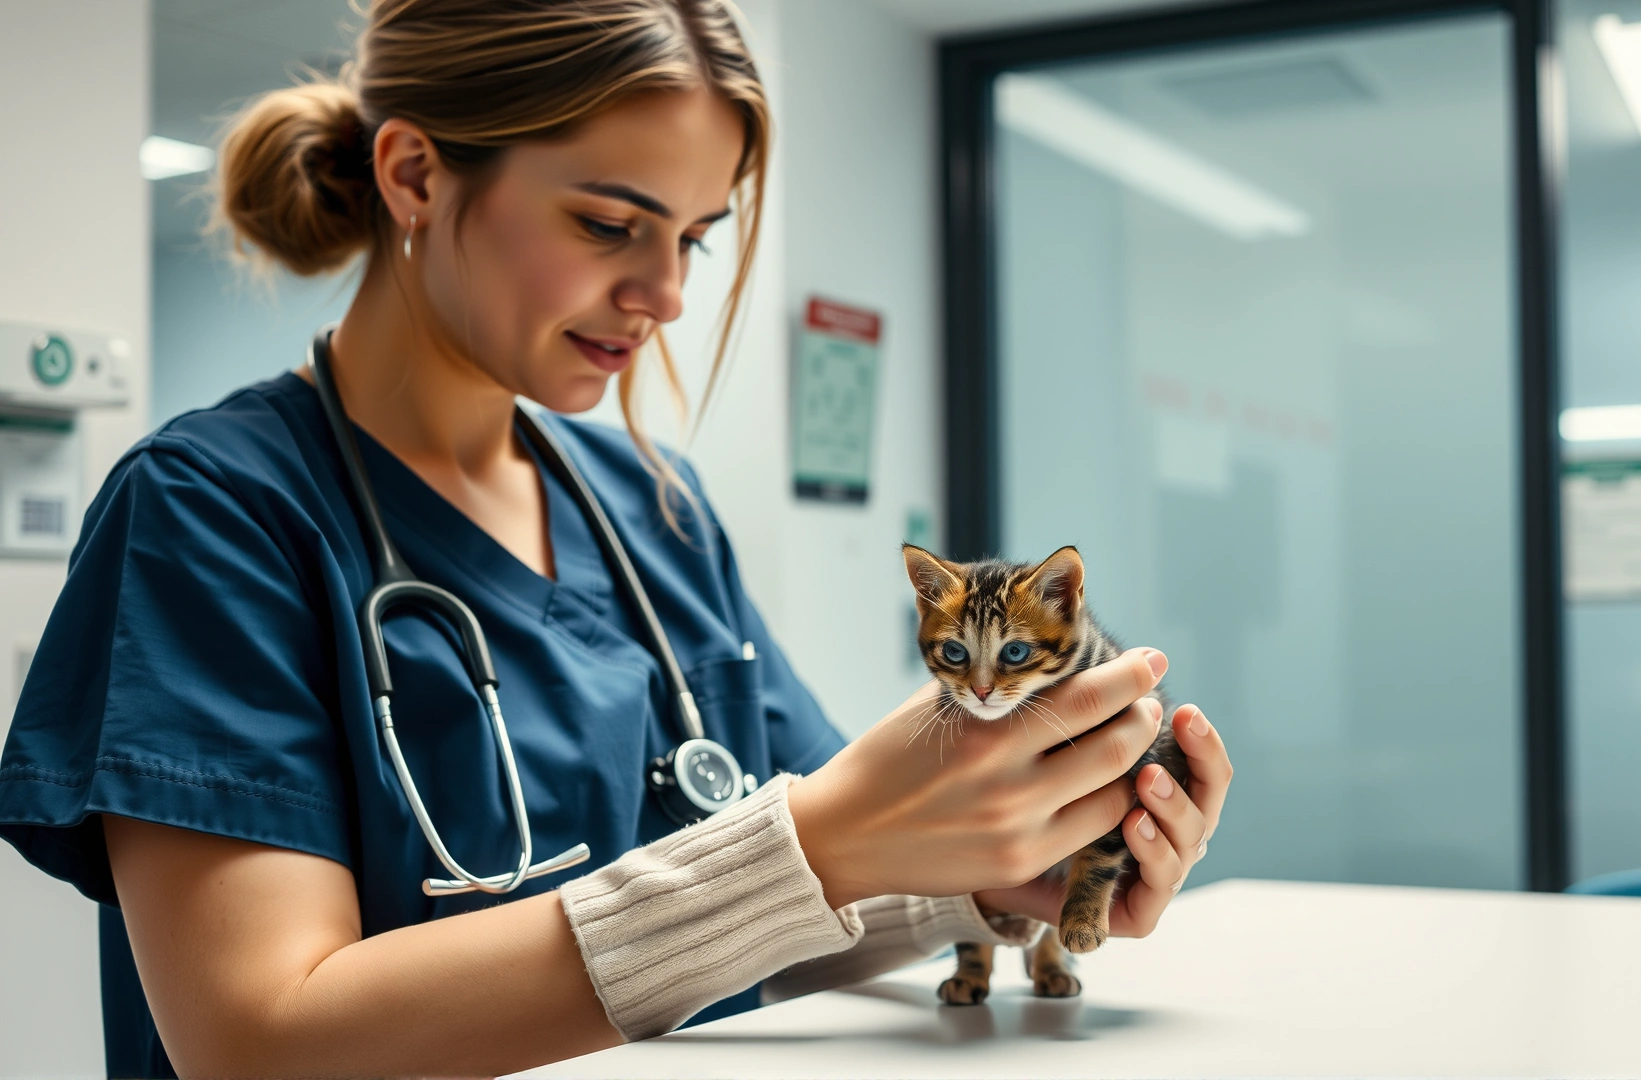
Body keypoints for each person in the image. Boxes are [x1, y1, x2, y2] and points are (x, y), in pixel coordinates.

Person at [0, 1, 1233, 1076]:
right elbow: (258, 1040)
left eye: (693, 236)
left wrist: (993, 872)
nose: (670, 293)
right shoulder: (217, 512)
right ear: (417, 176)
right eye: (608, 225)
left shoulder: (656, 512)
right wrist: (824, 843)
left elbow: (803, 891)